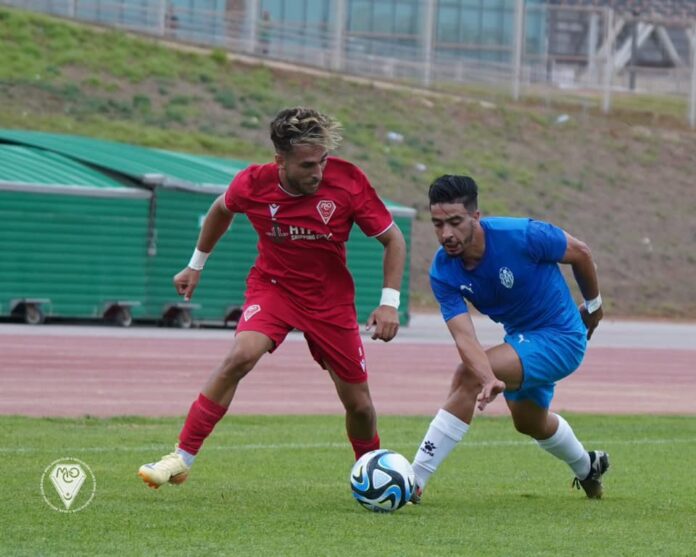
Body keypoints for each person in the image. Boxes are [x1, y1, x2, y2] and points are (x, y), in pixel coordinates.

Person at [138, 107, 406, 488]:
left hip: (329, 300)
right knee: (240, 356)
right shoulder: (253, 183)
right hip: (273, 287)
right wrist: (195, 265)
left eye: (323, 161)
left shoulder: (347, 181)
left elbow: (393, 239)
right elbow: (220, 210)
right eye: (308, 164)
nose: (318, 172)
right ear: (280, 160)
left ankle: (372, 474)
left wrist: (389, 302)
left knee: (359, 404)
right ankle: (181, 457)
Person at [410, 174, 608, 503]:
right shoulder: (443, 271)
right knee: (530, 423)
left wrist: (594, 306)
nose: (446, 234)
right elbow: (464, 336)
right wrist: (488, 376)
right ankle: (588, 467)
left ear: (476, 216)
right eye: (437, 224)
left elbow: (581, 253)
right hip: (521, 341)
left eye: (455, 222)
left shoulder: (523, 235)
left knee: (466, 375)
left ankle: (414, 480)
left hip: (562, 338)